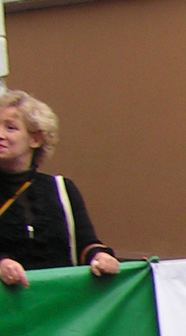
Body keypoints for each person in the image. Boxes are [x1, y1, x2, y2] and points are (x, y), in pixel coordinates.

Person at [0, 90, 118, 290]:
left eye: (10, 128)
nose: (0, 135)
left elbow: (86, 243)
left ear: (35, 139)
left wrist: (101, 257)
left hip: (58, 309)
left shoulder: (62, 189)